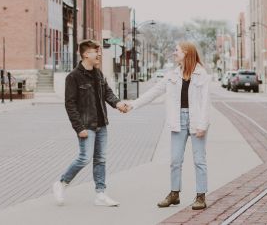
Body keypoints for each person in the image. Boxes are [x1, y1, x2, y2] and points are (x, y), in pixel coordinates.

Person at [126, 41, 210, 210]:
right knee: (175, 160)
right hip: (178, 120)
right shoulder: (172, 74)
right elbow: (154, 92)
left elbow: (205, 102)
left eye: (177, 50)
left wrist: (202, 125)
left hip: (196, 121)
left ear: (186, 53)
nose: (174, 53)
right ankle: (174, 194)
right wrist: (133, 104)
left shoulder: (202, 74)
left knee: (199, 160)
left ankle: (201, 196)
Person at [52, 39, 127, 207]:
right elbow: (70, 104)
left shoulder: (98, 74)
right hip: (86, 125)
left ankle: (100, 194)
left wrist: (118, 104)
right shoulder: (74, 77)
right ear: (86, 54)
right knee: (85, 158)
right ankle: (62, 183)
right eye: (95, 51)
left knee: (100, 159)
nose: (99, 53)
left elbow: (107, 93)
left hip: (101, 124)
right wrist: (79, 128)